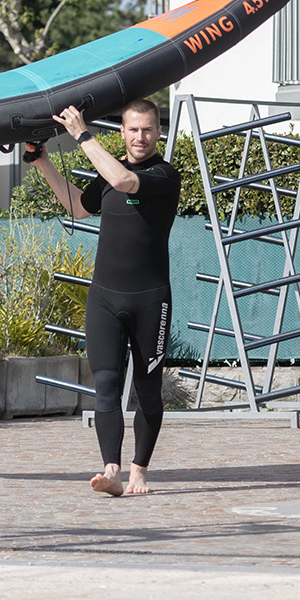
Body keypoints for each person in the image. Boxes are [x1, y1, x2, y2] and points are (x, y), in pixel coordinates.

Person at [22, 97, 181, 496]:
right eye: (133, 129)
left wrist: (82, 136)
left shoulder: (164, 174)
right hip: (105, 297)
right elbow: (79, 205)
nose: (140, 136)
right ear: (123, 132)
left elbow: (126, 182)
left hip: (151, 299)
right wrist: (42, 162)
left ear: (158, 132)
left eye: (147, 129)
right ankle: (111, 470)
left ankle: (138, 470)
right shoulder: (109, 172)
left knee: (146, 387)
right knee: (106, 384)